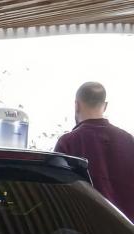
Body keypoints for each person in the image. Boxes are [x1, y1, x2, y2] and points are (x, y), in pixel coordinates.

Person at [55, 82, 134, 221]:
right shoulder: (129, 141)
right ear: (105, 105)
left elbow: (58, 198)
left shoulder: (67, 143)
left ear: (76, 105)